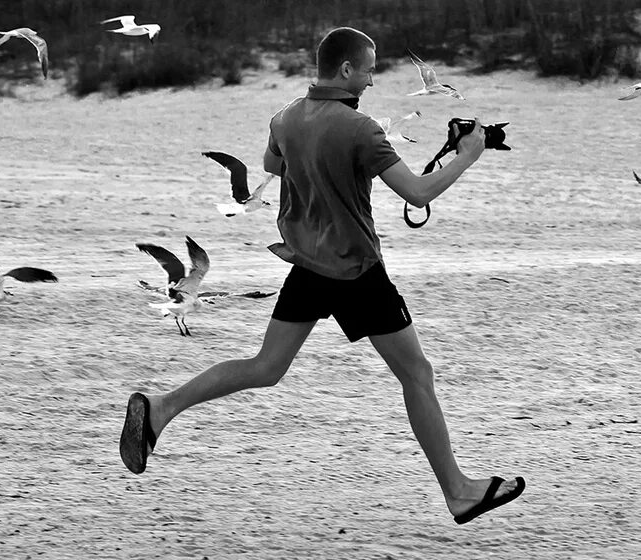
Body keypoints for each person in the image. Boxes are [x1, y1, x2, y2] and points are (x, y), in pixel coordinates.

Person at [119, 26, 525, 525]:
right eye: (370, 70)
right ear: (348, 69)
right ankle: (460, 492)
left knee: (265, 367)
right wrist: (466, 156)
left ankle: (161, 408)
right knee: (417, 374)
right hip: (355, 271)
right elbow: (418, 194)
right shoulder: (361, 129)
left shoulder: (285, 116)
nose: (373, 81)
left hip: (306, 263)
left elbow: (274, 162)